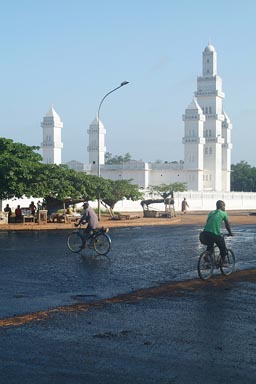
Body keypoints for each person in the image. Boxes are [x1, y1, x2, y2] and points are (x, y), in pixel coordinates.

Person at [201, 200, 233, 266]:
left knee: (210, 246)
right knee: (222, 246)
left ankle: (207, 256)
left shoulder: (211, 212)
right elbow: (227, 225)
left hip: (205, 233)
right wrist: (230, 233)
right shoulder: (224, 213)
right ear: (222, 206)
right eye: (224, 206)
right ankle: (223, 261)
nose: (225, 208)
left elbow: (208, 222)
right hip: (214, 233)